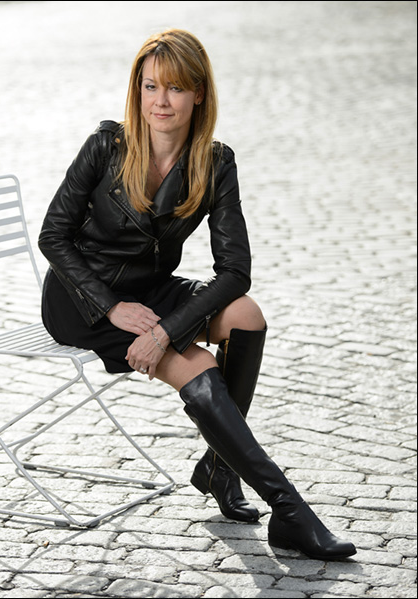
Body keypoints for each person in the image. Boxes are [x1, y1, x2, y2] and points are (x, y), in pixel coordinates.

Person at [38, 29, 355, 560]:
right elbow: (53, 236)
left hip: (151, 294)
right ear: (137, 91)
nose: (161, 102)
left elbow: (236, 271)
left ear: (199, 94)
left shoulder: (215, 161)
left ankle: (218, 466)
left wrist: (165, 330)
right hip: (82, 300)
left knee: (246, 317)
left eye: (176, 89)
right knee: (201, 366)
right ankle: (289, 511)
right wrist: (113, 308)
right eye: (150, 87)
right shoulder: (106, 146)